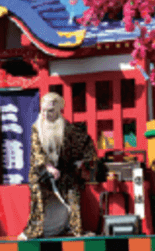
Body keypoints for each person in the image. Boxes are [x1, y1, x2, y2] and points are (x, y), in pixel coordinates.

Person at [19, 92, 98, 239]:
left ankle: (76, 229)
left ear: (58, 111)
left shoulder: (66, 128)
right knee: (38, 192)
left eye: (50, 111)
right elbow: (37, 152)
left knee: (72, 191)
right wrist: (48, 167)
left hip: (62, 172)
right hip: (41, 172)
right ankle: (34, 230)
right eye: (43, 110)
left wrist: (81, 161)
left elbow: (86, 142)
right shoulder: (37, 128)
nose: (46, 114)